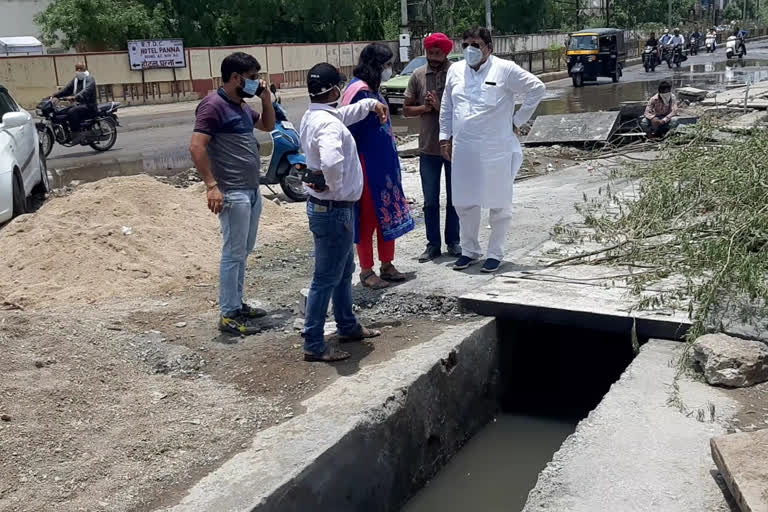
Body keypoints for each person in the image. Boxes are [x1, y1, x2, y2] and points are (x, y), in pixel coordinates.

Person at [439, 26, 546, 273]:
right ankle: (469, 250)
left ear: (489, 47)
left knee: (498, 203)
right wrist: (445, 137)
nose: (470, 50)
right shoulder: (455, 70)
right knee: (465, 201)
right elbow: (447, 107)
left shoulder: (505, 69)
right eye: (465, 45)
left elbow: (537, 88)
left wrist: (517, 121)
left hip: (495, 148)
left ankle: (495, 253)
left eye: (476, 45)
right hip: (464, 149)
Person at [299, 62, 387, 362]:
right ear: (335, 90)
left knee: (342, 272)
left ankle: (347, 325)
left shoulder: (316, 116)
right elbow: (332, 161)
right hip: (335, 209)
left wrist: (371, 104)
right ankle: (314, 341)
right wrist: (334, 187)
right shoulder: (329, 125)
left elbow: (345, 114)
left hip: (329, 208)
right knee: (325, 277)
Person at [189, 52, 276, 335]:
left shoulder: (239, 106)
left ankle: (237, 304)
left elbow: (267, 126)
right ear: (236, 78)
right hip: (232, 192)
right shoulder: (212, 106)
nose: (256, 82)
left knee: (243, 251)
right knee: (233, 253)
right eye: (252, 78)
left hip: (251, 191)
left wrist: (265, 99)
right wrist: (212, 186)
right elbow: (197, 147)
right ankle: (228, 314)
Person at [342, 43, 415, 289]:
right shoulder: (359, 92)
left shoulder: (373, 90)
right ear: (375, 66)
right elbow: (350, 132)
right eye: (386, 65)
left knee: (387, 213)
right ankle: (366, 270)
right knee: (368, 218)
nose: (389, 69)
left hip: (384, 165)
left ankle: (387, 264)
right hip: (368, 165)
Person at [404, 32, 461, 263]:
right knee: (430, 201)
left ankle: (454, 242)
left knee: (455, 199)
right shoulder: (418, 75)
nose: (433, 57)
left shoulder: (457, 74)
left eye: (437, 53)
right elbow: (406, 109)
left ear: (446, 52)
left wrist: (440, 107)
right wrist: (425, 109)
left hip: (454, 148)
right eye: (429, 52)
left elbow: (465, 111)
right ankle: (433, 245)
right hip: (428, 148)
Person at [52, 62, 97, 140]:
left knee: (72, 111)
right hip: (79, 105)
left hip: (89, 105)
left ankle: (76, 133)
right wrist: (55, 95)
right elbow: (67, 89)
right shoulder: (75, 80)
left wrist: (75, 97)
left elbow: (86, 91)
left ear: (85, 69)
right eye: (77, 69)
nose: (79, 71)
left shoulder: (90, 79)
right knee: (61, 112)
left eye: (81, 69)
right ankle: (66, 132)